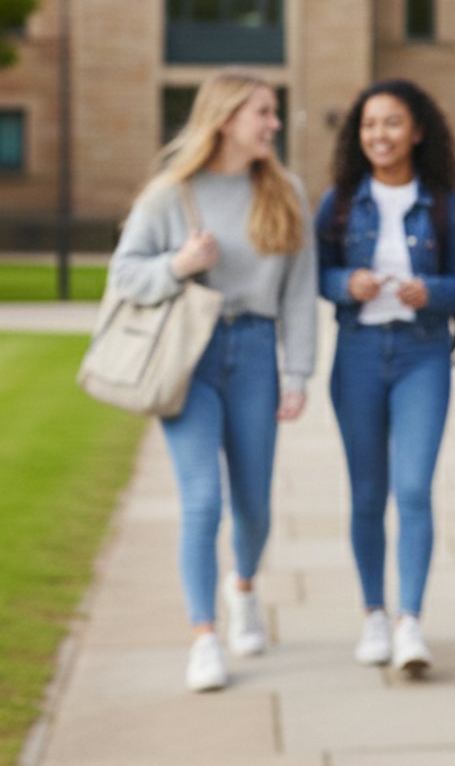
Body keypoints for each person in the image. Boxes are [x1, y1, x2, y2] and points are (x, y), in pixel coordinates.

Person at [110, 71, 318, 693]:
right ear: (226, 119)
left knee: (253, 506)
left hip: (255, 352)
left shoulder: (286, 192)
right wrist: (178, 265)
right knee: (202, 501)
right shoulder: (170, 195)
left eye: (274, 113)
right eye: (264, 112)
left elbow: (301, 291)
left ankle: (244, 589)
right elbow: (125, 273)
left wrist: (298, 370)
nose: (274, 124)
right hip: (190, 357)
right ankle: (204, 636)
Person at [315, 79, 455, 675]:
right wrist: (344, 285)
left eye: (391, 123)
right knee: (365, 494)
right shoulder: (337, 203)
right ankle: (374, 616)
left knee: (412, 490)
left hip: (422, 355)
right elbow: (318, 272)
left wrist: (428, 291)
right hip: (356, 355)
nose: (378, 134)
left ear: (416, 131)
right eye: (368, 125)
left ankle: (411, 622)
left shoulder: (443, 204)